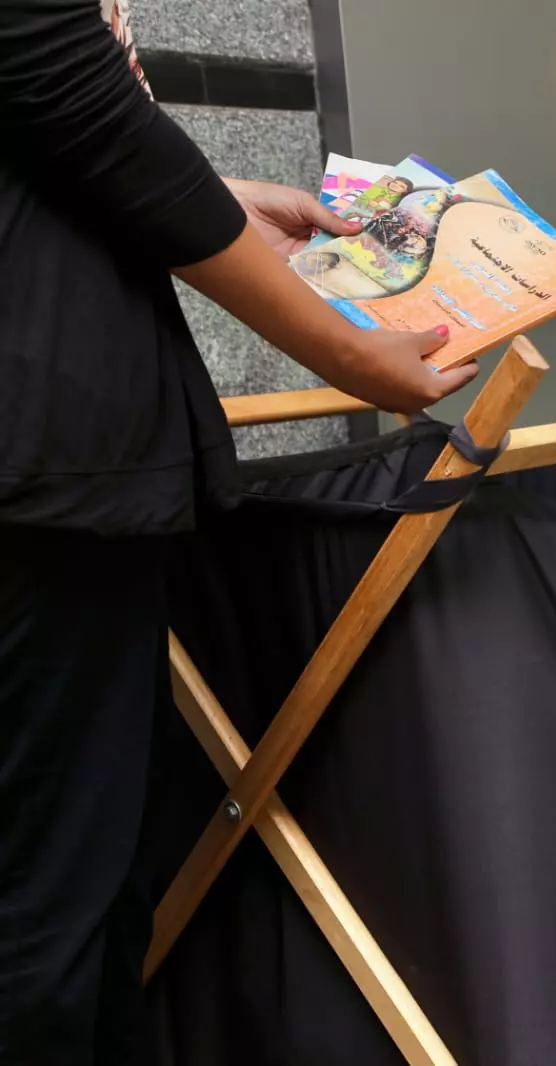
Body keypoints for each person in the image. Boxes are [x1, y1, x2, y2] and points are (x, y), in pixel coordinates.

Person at [0, 2, 480, 1063]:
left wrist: (210, 199)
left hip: (60, 463)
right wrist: (341, 349)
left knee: (96, 892)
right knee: (45, 911)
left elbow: (54, 117)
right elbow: (71, 96)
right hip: (37, 474)